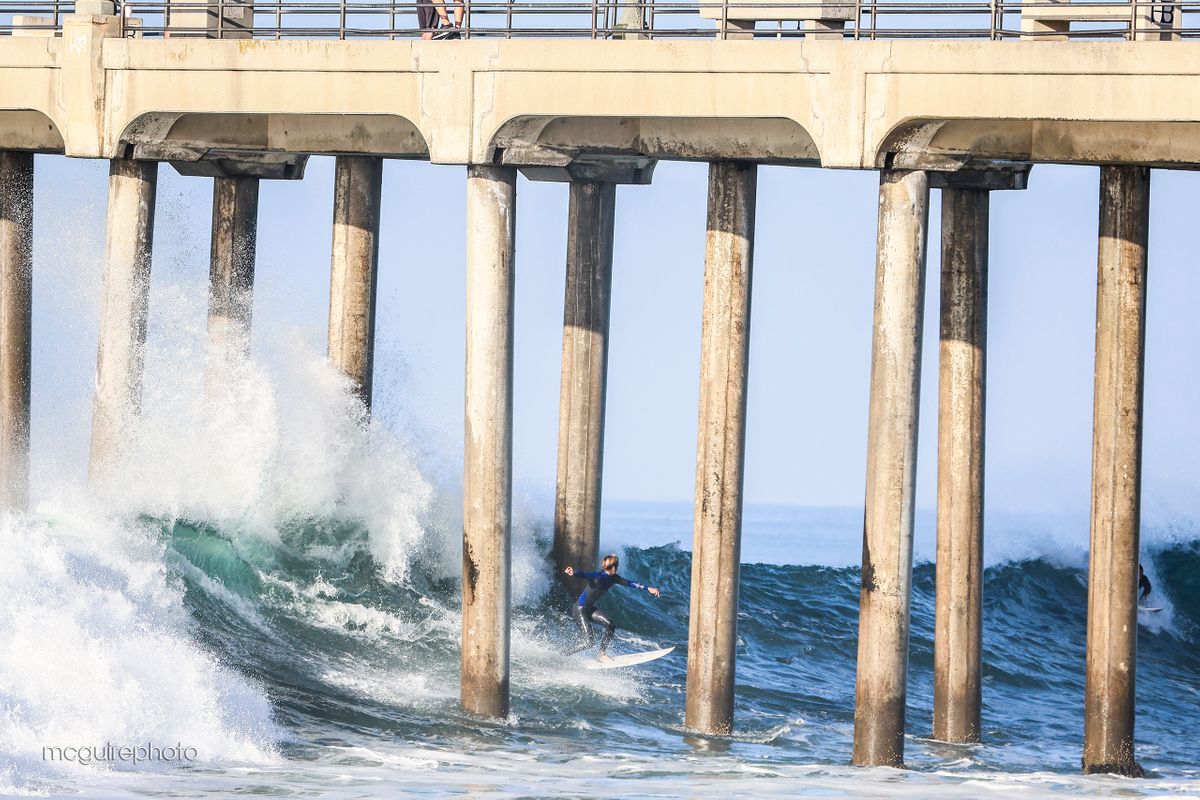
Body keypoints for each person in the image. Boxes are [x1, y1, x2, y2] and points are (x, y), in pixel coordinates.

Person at [564, 554, 661, 661]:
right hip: (579, 610)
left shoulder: (614, 578)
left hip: (589, 609)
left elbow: (630, 583)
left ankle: (601, 654)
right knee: (588, 642)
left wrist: (648, 588)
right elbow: (584, 574)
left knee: (610, 625)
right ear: (614, 568)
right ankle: (563, 655)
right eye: (617, 566)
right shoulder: (598, 576)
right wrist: (574, 573)